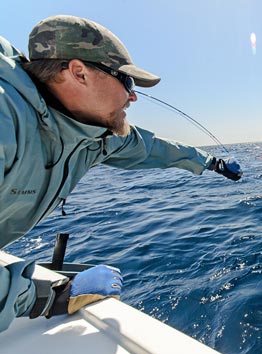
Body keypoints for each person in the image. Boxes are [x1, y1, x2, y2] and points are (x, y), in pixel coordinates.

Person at [0, 15, 242, 332]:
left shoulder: (92, 134)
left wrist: (211, 162)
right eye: (126, 82)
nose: (133, 97)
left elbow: (152, 148)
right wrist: (53, 296)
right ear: (79, 73)